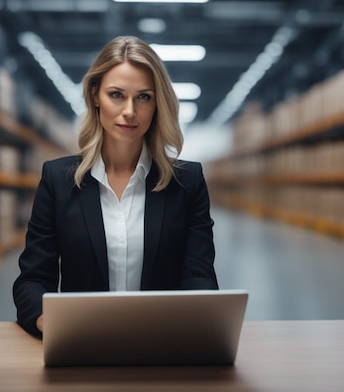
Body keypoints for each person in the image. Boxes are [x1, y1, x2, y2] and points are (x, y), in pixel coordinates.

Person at [13, 36, 218, 338]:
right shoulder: (58, 180)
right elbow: (32, 280)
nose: (130, 111)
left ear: (158, 103)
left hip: (162, 347)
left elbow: (199, 279)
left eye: (144, 97)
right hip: (81, 344)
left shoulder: (187, 183)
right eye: (117, 95)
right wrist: (49, 323)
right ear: (95, 95)